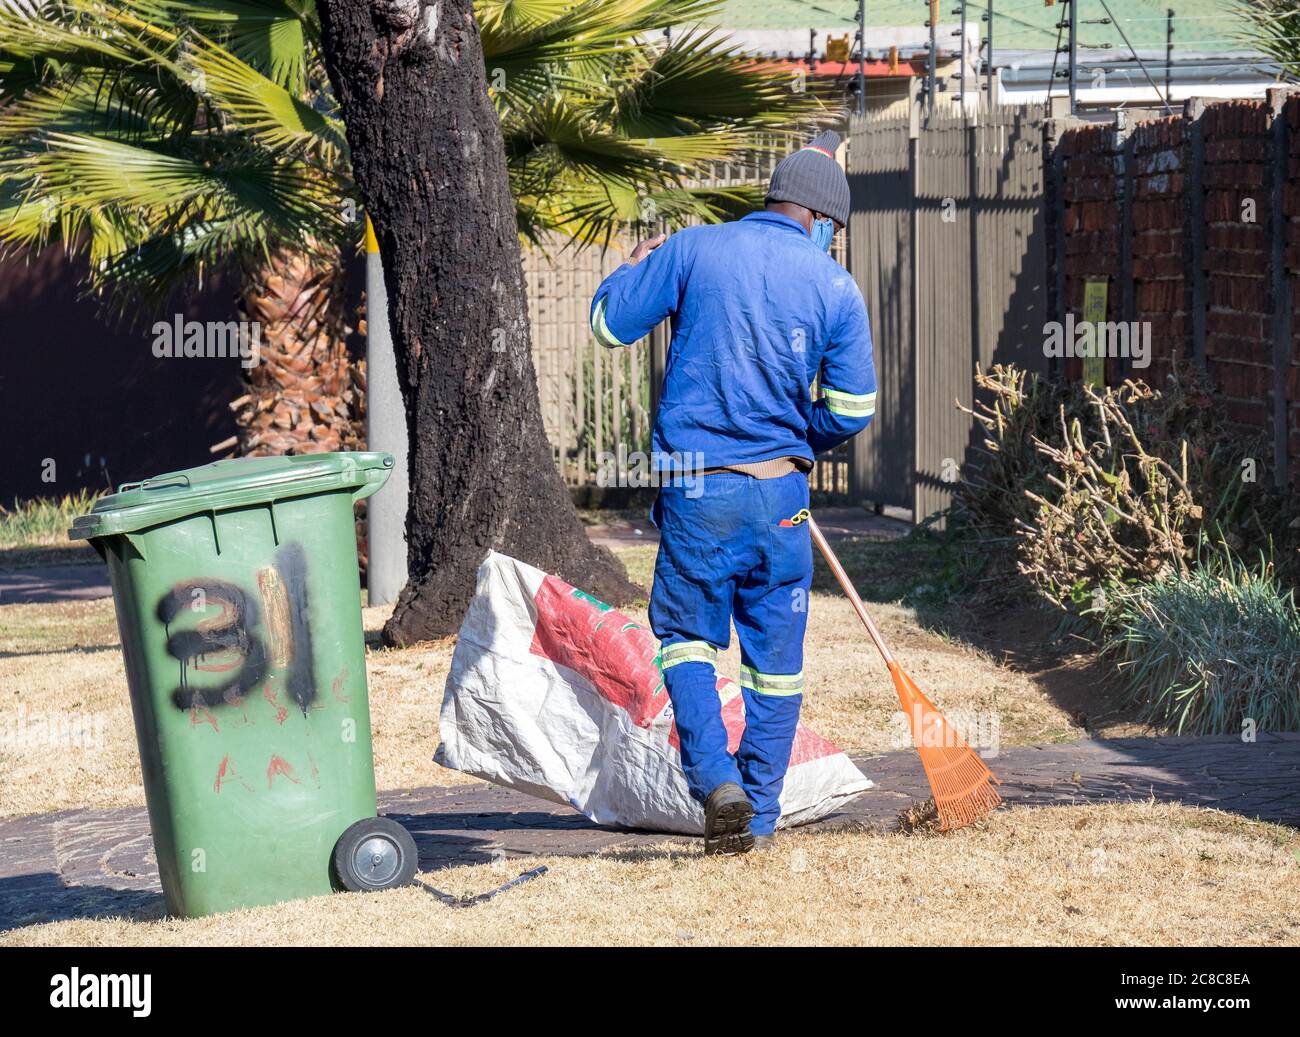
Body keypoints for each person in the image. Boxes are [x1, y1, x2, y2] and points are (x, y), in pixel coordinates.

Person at [588, 130, 876, 854]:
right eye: (834, 232)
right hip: (783, 498)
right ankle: (761, 815)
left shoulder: (692, 249)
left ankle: (715, 780)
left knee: (686, 641)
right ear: (818, 219)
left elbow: (607, 325)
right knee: (776, 665)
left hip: (695, 486)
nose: (833, 245)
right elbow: (852, 410)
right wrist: (795, 444)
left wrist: (630, 270)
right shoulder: (835, 288)